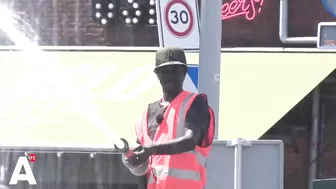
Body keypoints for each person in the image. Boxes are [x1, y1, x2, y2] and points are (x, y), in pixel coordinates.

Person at [126, 47, 215, 189]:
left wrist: (152, 150)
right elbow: (143, 164)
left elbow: (190, 141)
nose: (170, 75)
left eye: (175, 70)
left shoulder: (195, 103)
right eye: (164, 71)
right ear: (157, 74)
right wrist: (131, 160)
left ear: (184, 73)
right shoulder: (147, 114)